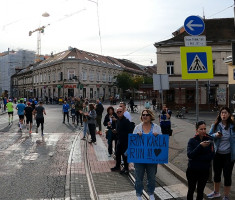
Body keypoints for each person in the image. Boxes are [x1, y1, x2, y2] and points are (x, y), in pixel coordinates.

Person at [133, 109, 162, 200]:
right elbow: (133, 143)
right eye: (143, 115)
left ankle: (151, 193)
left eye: (147, 115)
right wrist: (137, 137)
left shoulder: (156, 127)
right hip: (139, 158)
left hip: (152, 158)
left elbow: (162, 143)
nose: (145, 116)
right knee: (138, 177)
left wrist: (158, 137)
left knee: (152, 177)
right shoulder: (137, 127)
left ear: (150, 117)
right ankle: (138, 194)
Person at [207, 107, 235, 200]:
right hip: (217, 154)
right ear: (220, 114)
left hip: (229, 155)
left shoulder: (233, 126)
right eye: (222, 113)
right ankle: (216, 192)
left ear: (229, 114)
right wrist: (216, 135)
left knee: (227, 176)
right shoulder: (215, 125)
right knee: (217, 174)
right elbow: (209, 136)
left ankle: (226, 196)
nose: (224, 114)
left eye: (226, 113)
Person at [186, 121, 215, 200]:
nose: (203, 131)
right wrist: (200, 146)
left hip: (204, 171)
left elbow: (211, 155)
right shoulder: (192, 141)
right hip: (192, 171)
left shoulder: (209, 140)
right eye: (201, 129)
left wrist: (197, 158)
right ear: (197, 130)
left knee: (200, 191)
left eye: (205, 129)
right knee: (191, 190)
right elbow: (190, 155)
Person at [111, 106, 133, 174]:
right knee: (117, 154)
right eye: (117, 112)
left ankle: (126, 169)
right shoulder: (118, 120)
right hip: (119, 140)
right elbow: (119, 129)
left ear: (123, 112)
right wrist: (115, 131)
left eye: (120, 112)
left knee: (124, 156)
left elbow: (130, 131)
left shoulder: (126, 121)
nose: (119, 113)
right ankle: (118, 166)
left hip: (125, 141)